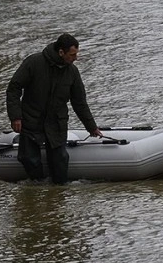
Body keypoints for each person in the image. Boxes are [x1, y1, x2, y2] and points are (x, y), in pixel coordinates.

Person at [6, 33, 102, 184]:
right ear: (61, 52)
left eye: (76, 54)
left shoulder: (72, 72)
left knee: (60, 160)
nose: (75, 58)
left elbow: (79, 103)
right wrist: (15, 117)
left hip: (56, 122)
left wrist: (92, 127)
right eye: (72, 54)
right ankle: (37, 187)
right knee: (29, 159)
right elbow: (13, 88)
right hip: (31, 120)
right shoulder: (34, 62)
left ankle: (57, 196)